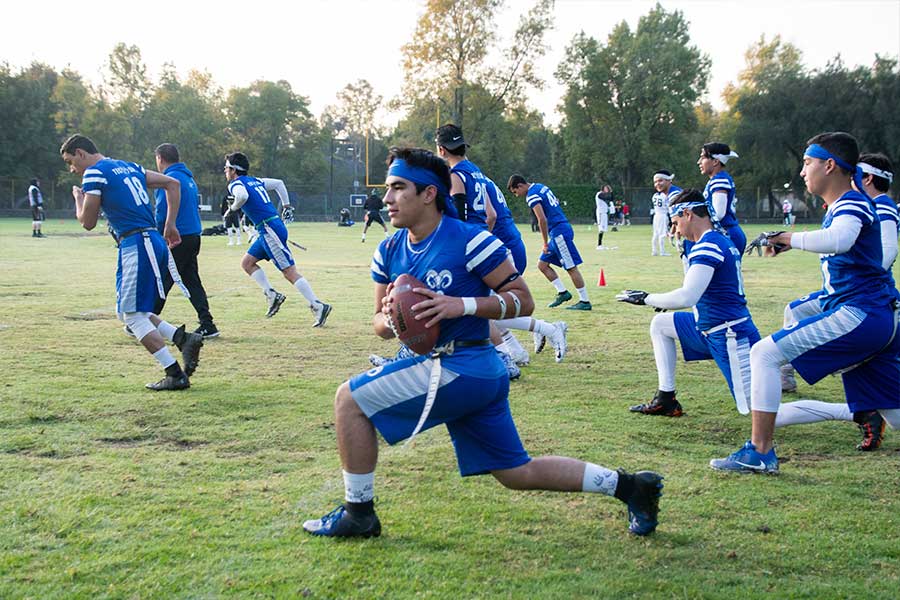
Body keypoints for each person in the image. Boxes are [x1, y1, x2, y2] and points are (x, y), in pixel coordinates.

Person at [302, 147, 663, 538]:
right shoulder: (389, 249)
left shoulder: (470, 240)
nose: (387, 198)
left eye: (397, 187)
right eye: (388, 189)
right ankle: (631, 486)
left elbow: (523, 300)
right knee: (515, 472)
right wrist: (391, 317)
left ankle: (359, 514)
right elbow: (378, 325)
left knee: (348, 400)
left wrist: (461, 305)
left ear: (428, 194)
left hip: (464, 366)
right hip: (469, 373)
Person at [711, 132, 900, 474]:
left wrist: (787, 238)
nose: (802, 171)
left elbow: (840, 239)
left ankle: (760, 452)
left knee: (764, 353)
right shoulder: (848, 203)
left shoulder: (851, 200)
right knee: (896, 417)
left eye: (807, 163)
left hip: (862, 314)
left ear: (830, 165)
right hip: (875, 316)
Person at [776, 151, 899, 451]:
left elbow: (885, 252)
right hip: (860, 303)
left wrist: (857, 280)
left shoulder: (877, 205)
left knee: (769, 353)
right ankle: (860, 409)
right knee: (892, 412)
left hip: (865, 305)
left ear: (867, 178)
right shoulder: (854, 205)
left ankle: (786, 379)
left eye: (855, 174)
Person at [60, 134, 203, 391]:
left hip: (136, 243)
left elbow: (87, 222)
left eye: (71, 162)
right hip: (149, 240)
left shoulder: (93, 174)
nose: (72, 169)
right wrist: (169, 224)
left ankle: (174, 373)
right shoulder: (130, 166)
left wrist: (78, 199)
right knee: (131, 310)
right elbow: (172, 184)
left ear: (80, 153)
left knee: (131, 316)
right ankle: (182, 338)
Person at [618, 189, 760, 417]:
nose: (675, 230)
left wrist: (645, 298)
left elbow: (687, 296)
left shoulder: (709, 244)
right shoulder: (713, 240)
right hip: (709, 328)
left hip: (730, 334)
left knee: (761, 411)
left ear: (687, 214)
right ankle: (666, 398)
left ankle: (838, 411)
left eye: (675, 223)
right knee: (660, 324)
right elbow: (696, 288)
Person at [435, 124, 567, 370]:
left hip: (481, 245)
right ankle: (514, 353)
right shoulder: (477, 173)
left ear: (441, 149)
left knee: (481, 308)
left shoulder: (456, 175)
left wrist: (467, 247)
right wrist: (484, 243)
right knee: (481, 307)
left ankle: (526, 344)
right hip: (491, 243)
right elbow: (491, 215)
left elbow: (463, 217)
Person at [222, 152, 332, 326]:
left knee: (289, 272)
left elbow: (242, 197)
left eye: (226, 167)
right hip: (270, 227)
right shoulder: (255, 180)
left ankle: (317, 305)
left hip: (268, 229)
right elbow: (279, 184)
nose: (225, 171)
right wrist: (286, 205)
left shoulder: (235, 183)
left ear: (234, 170)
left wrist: (232, 209)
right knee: (247, 263)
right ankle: (272, 294)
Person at [151, 143, 219, 339]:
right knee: (191, 281)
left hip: (176, 238)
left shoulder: (167, 179)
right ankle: (207, 324)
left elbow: (162, 210)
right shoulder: (189, 178)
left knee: (163, 279)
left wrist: (159, 233)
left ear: (160, 159)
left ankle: (145, 321)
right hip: (193, 236)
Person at [508, 175, 592, 310]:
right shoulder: (540, 186)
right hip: (560, 230)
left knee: (571, 267)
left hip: (559, 233)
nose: (517, 195)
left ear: (520, 186)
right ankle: (563, 293)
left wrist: (545, 243)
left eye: (515, 192)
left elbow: (542, 219)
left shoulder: (531, 195)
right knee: (542, 265)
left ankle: (585, 301)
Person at [697, 142, 747, 255]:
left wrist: (697, 225)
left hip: (726, 233)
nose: (699, 162)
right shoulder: (717, 179)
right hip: (727, 232)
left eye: (703, 157)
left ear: (715, 161)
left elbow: (719, 213)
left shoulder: (719, 180)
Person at [650, 171, 681, 256]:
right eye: (655, 182)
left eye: (660, 181)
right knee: (662, 234)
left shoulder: (656, 195)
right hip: (663, 215)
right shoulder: (664, 195)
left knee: (656, 234)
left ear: (669, 180)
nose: (657, 184)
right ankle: (662, 251)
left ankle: (654, 251)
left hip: (656, 215)